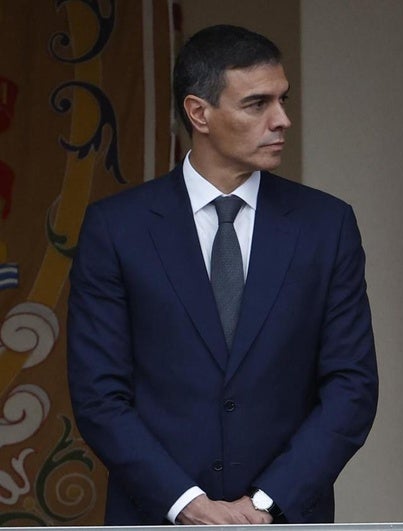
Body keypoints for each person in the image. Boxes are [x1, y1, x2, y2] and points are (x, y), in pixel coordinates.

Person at [66, 24, 378, 525]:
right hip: (155, 517)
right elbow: (99, 395)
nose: (283, 120)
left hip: (285, 517)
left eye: (283, 100)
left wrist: (263, 504)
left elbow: (351, 388)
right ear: (199, 112)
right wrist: (186, 504)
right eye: (257, 104)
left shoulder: (327, 225)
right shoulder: (117, 228)